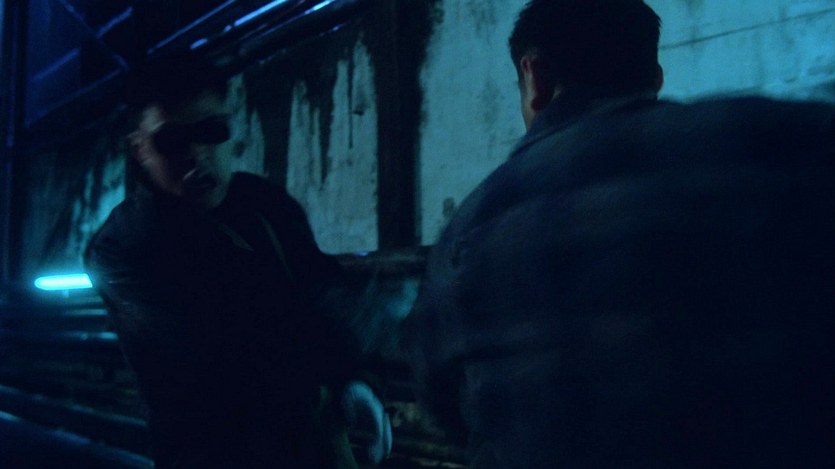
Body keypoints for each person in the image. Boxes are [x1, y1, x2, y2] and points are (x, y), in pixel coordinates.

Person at [403, 1, 835, 467]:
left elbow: (442, 400)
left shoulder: (472, 226)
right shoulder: (788, 142)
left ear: (534, 76)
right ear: (655, 76)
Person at [85, 59, 391, 468]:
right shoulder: (122, 248)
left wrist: (356, 381)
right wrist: (334, 370)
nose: (197, 155)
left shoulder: (266, 206)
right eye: (171, 141)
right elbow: (212, 366)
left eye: (212, 132)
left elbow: (324, 294)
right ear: (140, 150)